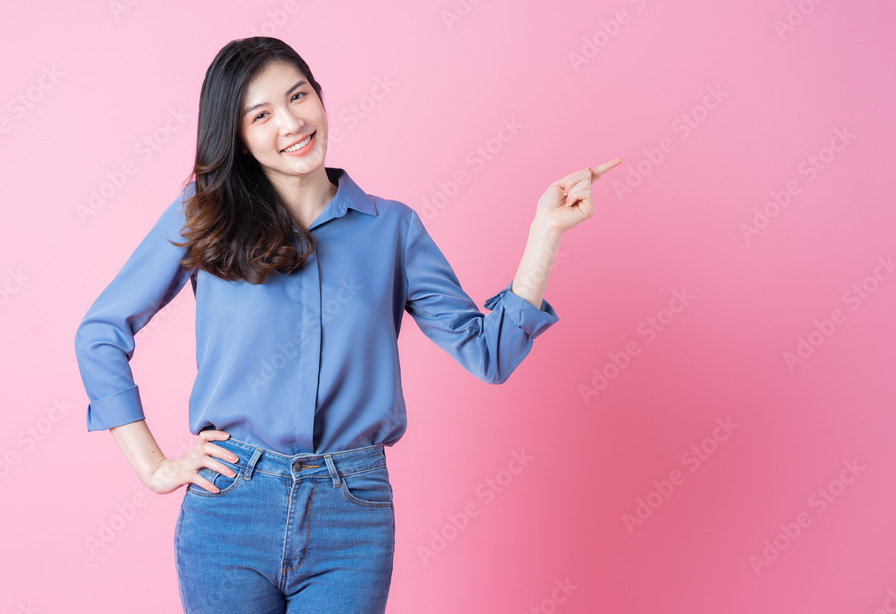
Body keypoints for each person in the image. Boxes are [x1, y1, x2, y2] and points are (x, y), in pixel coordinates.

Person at [73, 35, 621, 614]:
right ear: (236, 135)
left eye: (298, 96)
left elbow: (490, 354)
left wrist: (545, 235)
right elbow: (100, 333)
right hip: (230, 506)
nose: (290, 122)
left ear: (321, 98)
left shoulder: (393, 229)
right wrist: (155, 467)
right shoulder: (203, 215)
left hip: (351, 512)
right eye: (261, 115)